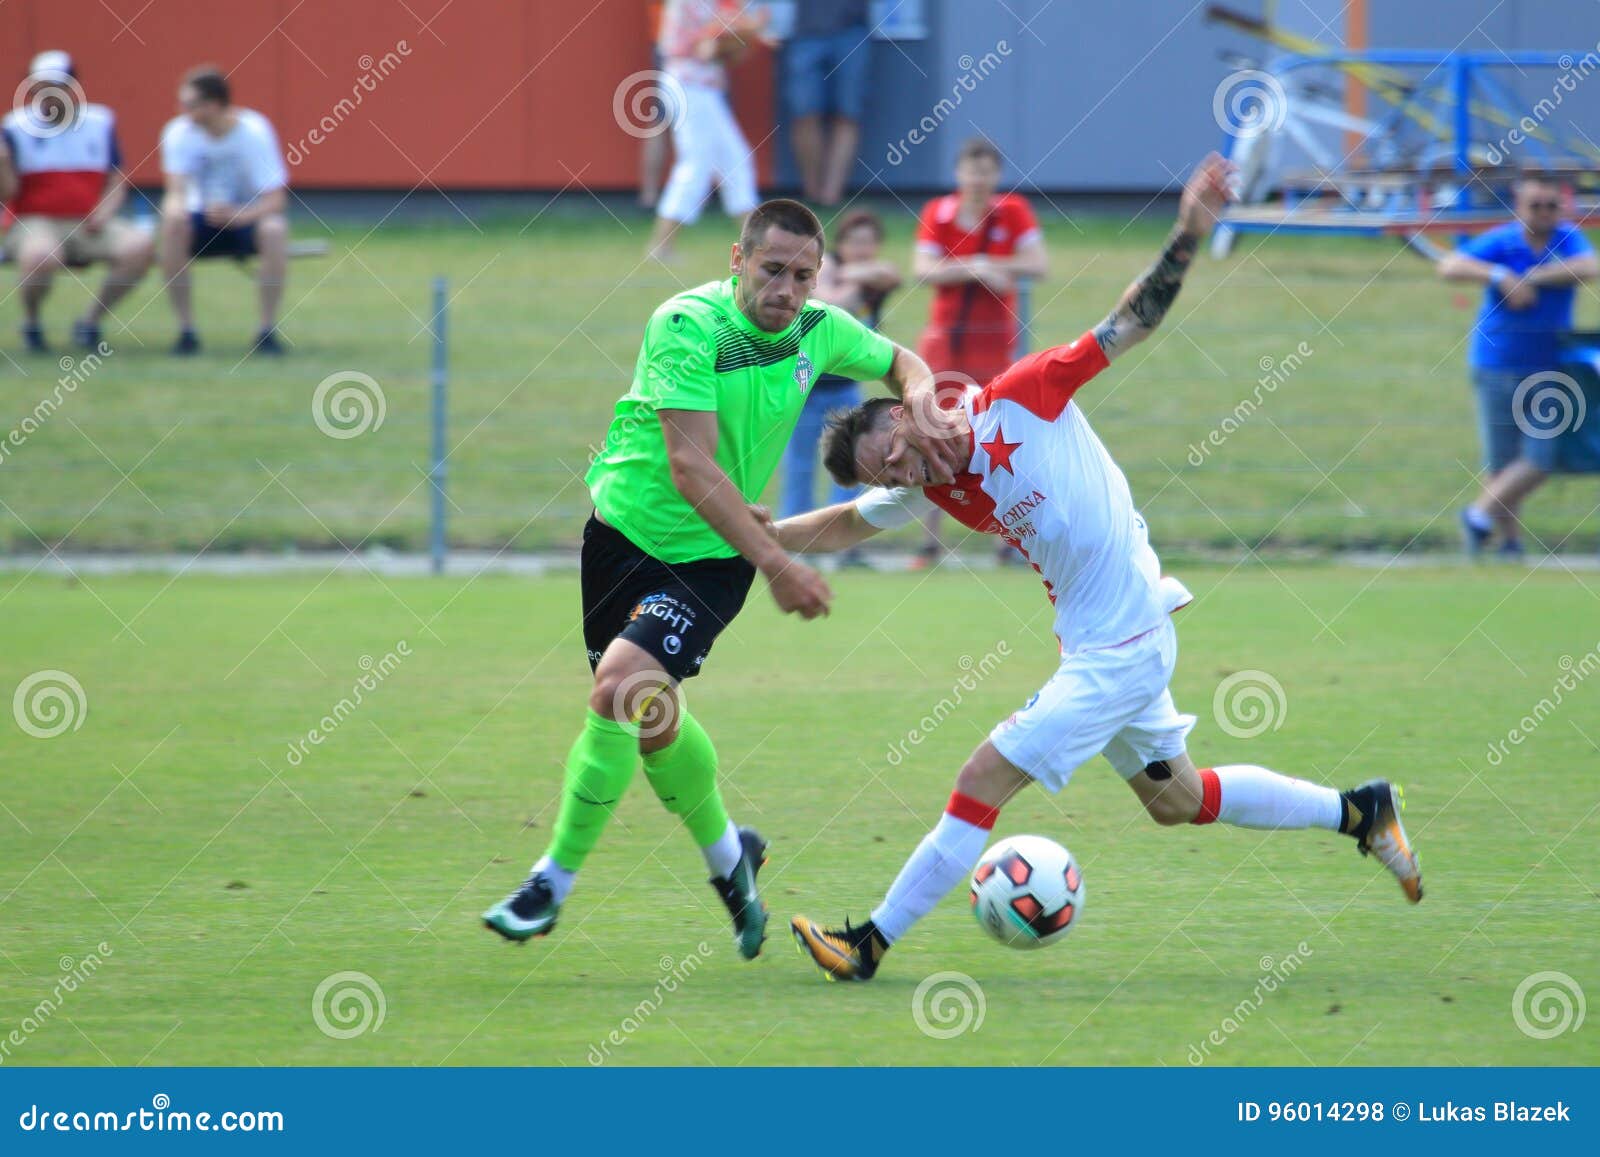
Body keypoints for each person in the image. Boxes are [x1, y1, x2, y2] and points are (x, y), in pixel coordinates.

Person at [772, 155, 1422, 983]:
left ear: (905, 410)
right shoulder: (931, 483)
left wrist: (1188, 233)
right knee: (1177, 801)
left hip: (1125, 640)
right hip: (1102, 638)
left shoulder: (1020, 394)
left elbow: (1132, 322)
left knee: (981, 775)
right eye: (891, 474)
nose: (905, 473)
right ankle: (1361, 810)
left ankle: (868, 942)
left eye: (896, 452)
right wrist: (750, 537)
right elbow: (838, 526)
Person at [481, 198, 959, 957]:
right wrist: (781, 564)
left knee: (619, 686)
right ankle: (732, 861)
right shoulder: (685, 325)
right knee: (649, 720)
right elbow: (690, 463)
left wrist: (923, 399)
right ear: (736, 261)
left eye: (805, 275)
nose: (789, 290)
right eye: (773, 270)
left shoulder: (818, 330)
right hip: (620, 537)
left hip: (713, 555)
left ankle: (549, 884)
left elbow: (904, 360)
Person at [1437, 173, 1599, 557]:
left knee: (1542, 458)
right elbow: (1450, 266)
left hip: (1548, 366)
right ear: (1518, 206)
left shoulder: (1566, 239)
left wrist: (1533, 278)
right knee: (1502, 461)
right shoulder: (1502, 241)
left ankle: (1477, 515)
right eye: (1535, 205)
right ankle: (1508, 542)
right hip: (1496, 361)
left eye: (1551, 205)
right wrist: (1499, 274)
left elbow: (1590, 266)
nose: (1544, 213)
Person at [911, 137, 1048, 566]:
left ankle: (1006, 540)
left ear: (996, 175)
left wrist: (995, 267)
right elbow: (921, 269)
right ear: (959, 174)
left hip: (996, 344)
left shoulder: (1013, 211)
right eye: (971, 170)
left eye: (986, 171)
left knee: (997, 440)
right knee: (934, 433)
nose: (978, 179)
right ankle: (929, 541)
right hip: (947, 344)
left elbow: (1038, 265)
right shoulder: (940, 212)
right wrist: (976, 268)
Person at [0, 51, 153, 353]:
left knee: (140, 246)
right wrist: (3, 163)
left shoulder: (99, 122)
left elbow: (115, 178)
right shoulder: (15, 127)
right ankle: (32, 322)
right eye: (40, 88)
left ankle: (90, 321)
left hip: (86, 219)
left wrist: (105, 210)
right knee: (42, 255)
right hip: (34, 220)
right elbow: (8, 193)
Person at [779, 209, 900, 556]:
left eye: (869, 243)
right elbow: (832, 301)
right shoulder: (822, 271)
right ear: (840, 244)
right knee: (801, 464)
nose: (862, 249)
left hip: (846, 386)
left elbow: (891, 274)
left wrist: (853, 273)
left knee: (853, 462)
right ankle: (792, 542)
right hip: (807, 386)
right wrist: (854, 276)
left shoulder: (871, 273)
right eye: (854, 242)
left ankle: (846, 546)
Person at [158, 65, 290, 355]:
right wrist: (175, 209)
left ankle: (266, 330)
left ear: (213, 105)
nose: (182, 111)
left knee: (274, 229)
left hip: (245, 219)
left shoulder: (254, 132)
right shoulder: (179, 133)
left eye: (190, 104)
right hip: (200, 220)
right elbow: (175, 192)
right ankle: (187, 331)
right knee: (172, 224)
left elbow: (276, 199)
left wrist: (241, 216)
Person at [646, 0, 768, 261]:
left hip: (704, 88)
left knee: (736, 160)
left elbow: (730, 45)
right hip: (689, 85)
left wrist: (747, 33)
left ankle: (759, 247)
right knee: (696, 164)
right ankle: (661, 245)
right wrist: (749, 30)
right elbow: (706, 48)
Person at [784, 0, 870, 206]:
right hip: (806, 30)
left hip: (853, 29)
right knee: (804, 113)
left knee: (848, 114)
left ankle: (831, 197)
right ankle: (812, 195)